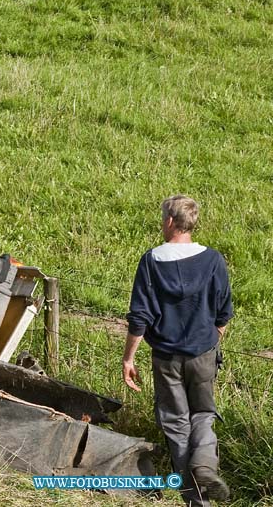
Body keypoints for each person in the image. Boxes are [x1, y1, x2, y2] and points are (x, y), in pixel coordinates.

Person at [123, 195, 233, 506]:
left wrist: (129, 357)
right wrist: (209, 342)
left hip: (167, 357)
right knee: (204, 416)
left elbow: (140, 316)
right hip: (203, 352)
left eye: (162, 218)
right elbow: (224, 312)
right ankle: (205, 467)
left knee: (176, 423)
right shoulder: (213, 260)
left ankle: (196, 500)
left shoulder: (151, 261)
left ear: (171, 221)